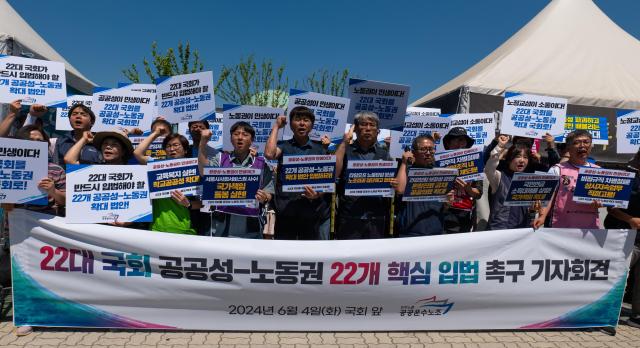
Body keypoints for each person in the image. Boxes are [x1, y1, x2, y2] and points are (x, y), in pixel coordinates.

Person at [264, 106, 331, 240]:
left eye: (306, 120)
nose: (301, 123)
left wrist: (317, 194)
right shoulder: (283, 145)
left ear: (311, 125)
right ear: (291, 124)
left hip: (311, 214)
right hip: (285, 211)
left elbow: (327, 181)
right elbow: (269, 154)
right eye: (297, 120)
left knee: (309, 255)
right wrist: (276, 127)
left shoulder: (320, 149)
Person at [198, 122, 274, 238]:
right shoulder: (220, 160)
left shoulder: (262, 164)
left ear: (252, 139)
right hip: (221, 226)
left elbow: (269, 192)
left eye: (245, 134)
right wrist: (203, 142)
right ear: (231, 138)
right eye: (236, 134)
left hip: (250, 227)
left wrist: (265, 197)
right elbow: (204, 172)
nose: (240, 137)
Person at [333, 112, 392, 239]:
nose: (368, 128)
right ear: (355, 128)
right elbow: (333, 173)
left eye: (372, 125)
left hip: (377, 218)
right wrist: (344, 142)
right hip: (349, 217)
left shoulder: (386, 154)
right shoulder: (344, 150)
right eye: (363, 124)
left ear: (378, 131)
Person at [532, 130, 601, 229]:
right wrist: (542, 217)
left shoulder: (598, 171)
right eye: (576, 142)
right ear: (568, 147)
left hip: (589, 229)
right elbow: (547, 197)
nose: (582, 145)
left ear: (591, 146)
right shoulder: (556, 169)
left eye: (586, 142)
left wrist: (601, 202)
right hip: (560, 227)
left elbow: (608, 201)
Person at [133, 132, 199, 235]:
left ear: (185, 150)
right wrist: (156, 133)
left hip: (185, 230)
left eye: (176, 145)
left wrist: (188, 204)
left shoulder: (195, 169)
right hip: (157, 229)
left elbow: (203, 204)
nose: (172, 149)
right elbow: (138, 153)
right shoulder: (157, 166)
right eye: (168, 146)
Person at [391, 135, 454, 237]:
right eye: (423, 149)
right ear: (414, 152)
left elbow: (445, 206)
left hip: (436, 231)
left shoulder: (441, 172)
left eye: (431, 149)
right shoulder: (406, 170)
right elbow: (400, 190)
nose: (428, 153)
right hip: (410, 231)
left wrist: (448, 201)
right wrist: (404, 163)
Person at [604, 150, 640, 328]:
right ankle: (605, 312)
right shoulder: (627, 178)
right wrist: (630, 220)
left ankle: (637, 316)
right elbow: (611, 208)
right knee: (617, 275)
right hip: (623, 234)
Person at [485, 135, 536, 229]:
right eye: (518, 156)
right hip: (499, 230)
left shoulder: (530, 181)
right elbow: (489, 168)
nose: (522, 160)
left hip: (521, 231)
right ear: (509, 159)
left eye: (525, 157)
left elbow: (530, 210)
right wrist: (499, 146)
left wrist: (533, 209)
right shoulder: (499, 177)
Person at [441, 127, 482, 233]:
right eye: (455, 140)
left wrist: (468, 188)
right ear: (448, 143)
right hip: (443, 213)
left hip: (464, 216)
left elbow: (478, 194)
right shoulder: (439, 163)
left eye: (462, 140)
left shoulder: (475, 164)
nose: (459, 144)